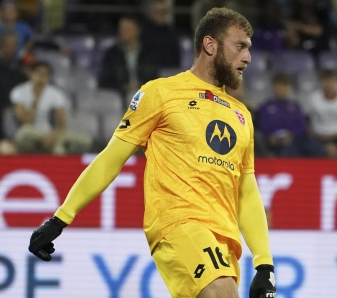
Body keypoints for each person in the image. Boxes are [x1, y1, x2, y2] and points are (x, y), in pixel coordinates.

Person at [28, 8, 277, 298]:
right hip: (178, 224)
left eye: (248, 48)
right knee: (221, 291)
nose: (248, 57)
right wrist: (60, 218)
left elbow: (246, 190)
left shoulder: (241, 114)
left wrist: (264, 263)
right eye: (240, 47)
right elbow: (111, 158)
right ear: (210, 45)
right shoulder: (160, 93)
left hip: (224, 238)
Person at [11, 61, 92, 154]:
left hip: (48, 132)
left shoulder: (56, 94)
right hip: (30, 133)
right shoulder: (19, 92)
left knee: (81, 141)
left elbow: (62, 124)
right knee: (24, 133)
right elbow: (25, 122)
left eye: (45, 74)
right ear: (31, 74)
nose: (41, 77)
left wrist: (53, 136)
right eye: (38, 73)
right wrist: (36, 100)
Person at [257, 73, 325, 157]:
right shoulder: (265, 106)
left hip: (294, 139)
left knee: (315, 147)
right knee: (289, 150)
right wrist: (271, 136)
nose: (281, 89)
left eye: (285, 86)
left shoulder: (295, 106)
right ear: (273, 87)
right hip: (273, 140)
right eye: (279, 85)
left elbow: (301, 126)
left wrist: (291, 136)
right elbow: (263, 125)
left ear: (288, 88)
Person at [97, 15, 157, 106]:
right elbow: (104, 81)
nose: (123, 32)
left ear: (137, 31)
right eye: (121, 29)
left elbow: (154, 78)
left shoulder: (148, 54)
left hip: (145, 95)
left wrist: (140, 86)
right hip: (119, 97)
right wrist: (124, 87)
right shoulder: (112, 54)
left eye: (127, 29)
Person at [139, 0, 180, 69]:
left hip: (169, 71)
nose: (161, 15)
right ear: (150, 14)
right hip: (149, 72)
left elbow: (176, 57)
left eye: (164, 12)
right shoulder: (143, 33)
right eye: (158, 12)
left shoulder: (171, 33)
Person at [0, 30, 28, 95]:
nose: (10, 49)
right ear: (0, 45)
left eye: (13, 46)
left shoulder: (19, 64)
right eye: (7, 45)